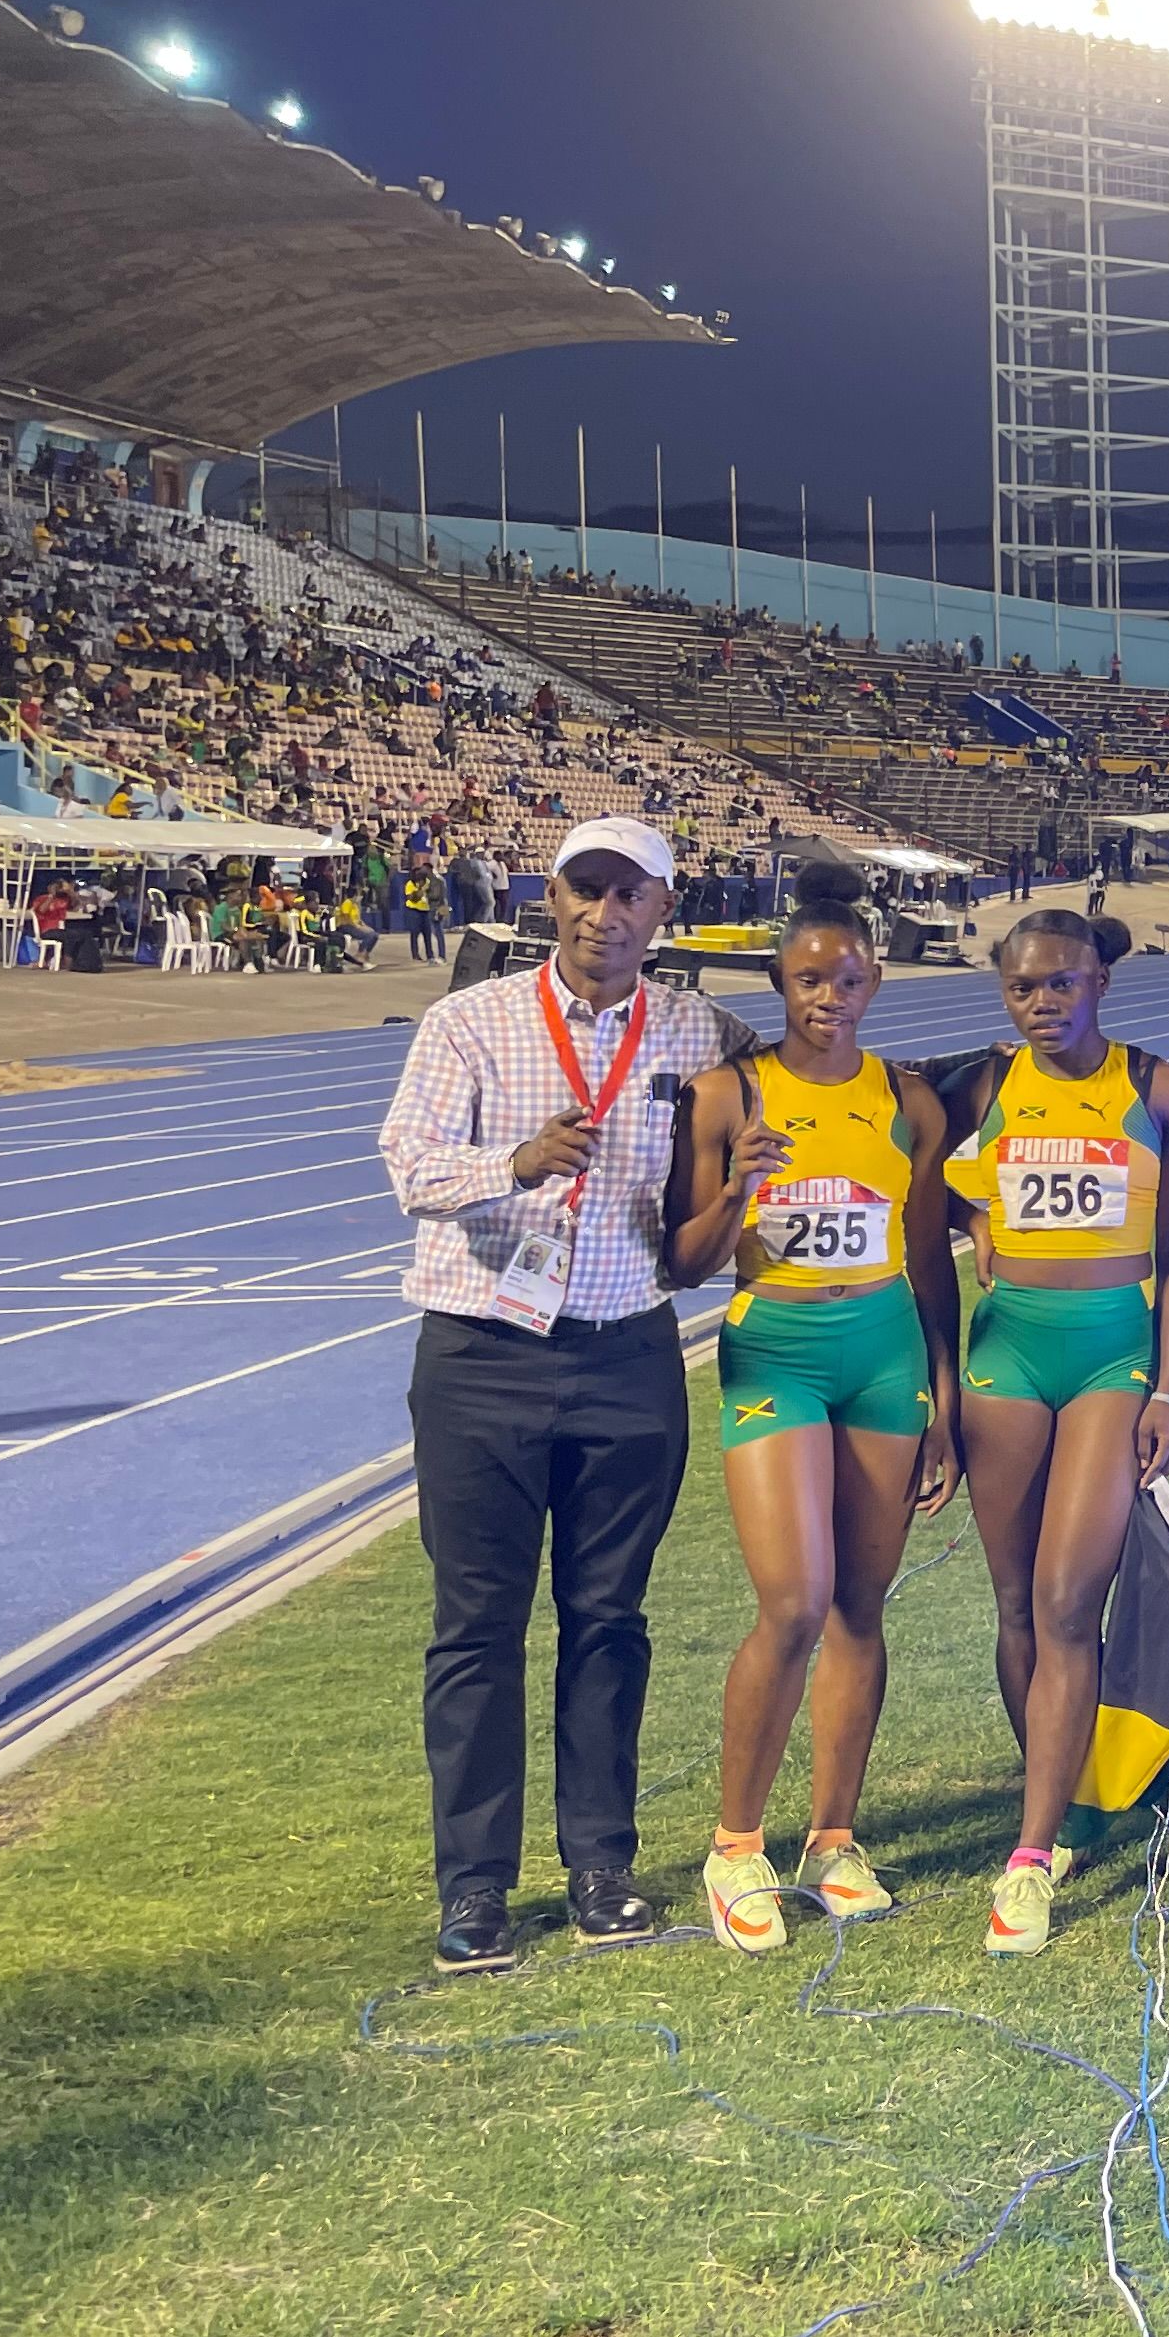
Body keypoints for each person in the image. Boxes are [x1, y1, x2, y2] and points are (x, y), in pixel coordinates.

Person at [375, 816, 737, 1973]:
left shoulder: (700, 1032)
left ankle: (600, 1866)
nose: (606, 914)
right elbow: (410, 1167)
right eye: (587, 889)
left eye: (631, 896)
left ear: (662, 915)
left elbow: (796, 1099)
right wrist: (512, 1165)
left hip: (630, 1354)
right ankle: (475, 1890)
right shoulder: (468, 1023)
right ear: (551, 895)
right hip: (483, 1355)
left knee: (609, 1623)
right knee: (475, 1626)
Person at [663, 888, 962, 1953]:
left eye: (847, 979)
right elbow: (680, 1264)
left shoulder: (910, 1103)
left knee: (862, 1609)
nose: (828, 997)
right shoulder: (724, 1095)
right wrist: (739, 1192)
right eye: (807, 980)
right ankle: (735, 1847)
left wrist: (946, 1401)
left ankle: (832, 1838)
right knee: (792, 1604)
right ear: (779, 986)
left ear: (874, 983)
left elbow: (931, 1258)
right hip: (775, 1352)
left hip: (883, 1353)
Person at [940, 910, 1169, 1956]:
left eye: (1059, 985)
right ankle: (1065, 1807)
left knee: (1064, 1600)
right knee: (1014, 1604)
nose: (1041, 1004)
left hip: (1109, 1356)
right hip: (1003, 1354)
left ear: (1100, 981)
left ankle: (1028, 1858)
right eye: (1020, 990)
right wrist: (971, 1222)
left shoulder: (1158, 1092)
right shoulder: (983, 1087)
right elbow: (931, 1183)